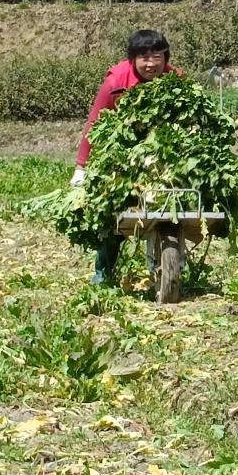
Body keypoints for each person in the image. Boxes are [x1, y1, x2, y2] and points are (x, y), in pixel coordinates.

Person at [72, 29, 178, 284]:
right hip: (121, 157)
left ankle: (162, 266)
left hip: (162, 157)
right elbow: (94, 123)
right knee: (112, 214)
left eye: (157, 57)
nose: (151, 64)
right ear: (132, 59)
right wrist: (81, 167)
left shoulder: (175, 81)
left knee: (172, 207)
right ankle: (103, 273)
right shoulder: (116, 82)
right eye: (144, 57)